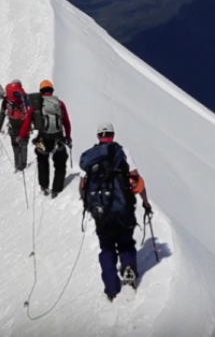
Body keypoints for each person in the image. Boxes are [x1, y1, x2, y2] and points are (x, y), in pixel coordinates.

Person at [78, 122, 153, 302]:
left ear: (98, 136)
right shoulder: (122, 152)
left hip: (100, 211)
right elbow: (136, 179)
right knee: (126, 243)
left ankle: (111, 289)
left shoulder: (90, 157)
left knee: (107, 248)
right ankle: (128, 273)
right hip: (122, 208)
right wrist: (145, 202)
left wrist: (88, 204)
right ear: (113, 134)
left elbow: (82, 185)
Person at [19, 79, 72, 198]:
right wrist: (67, 137)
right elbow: (66, 122)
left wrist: (22, 136)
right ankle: (56, 189)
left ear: (41, 91)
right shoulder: (59, 103)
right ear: (52, 90)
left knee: (42, 161)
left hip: (43, 138)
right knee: (60, 163)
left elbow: (27, 122)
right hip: (59, 138)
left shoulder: (36, 106)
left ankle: (44, 186)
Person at [0, 79, 30, 171]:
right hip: (24, 125)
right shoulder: (24, 96)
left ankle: (17, 164)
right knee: (24, 144)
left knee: (15, 145)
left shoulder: (6, 99)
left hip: (12, 125)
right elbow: (30, 109)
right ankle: (23, 164)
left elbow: (2, 114)